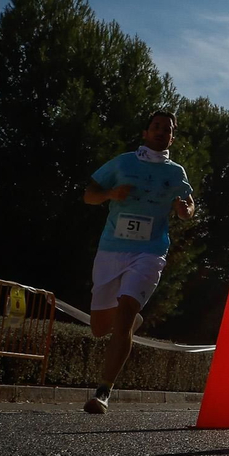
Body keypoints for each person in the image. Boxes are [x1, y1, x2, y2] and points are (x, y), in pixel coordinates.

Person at [81, 110, 196, 414]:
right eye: (156, 127)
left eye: (167, 130)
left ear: (172, 137)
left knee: (127, 307)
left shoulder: (175, 172)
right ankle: (127, 320)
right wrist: (109, 194)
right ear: (145, 132)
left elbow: (189, 205)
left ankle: (103, 391)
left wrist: (185, 210)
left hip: (150, 250)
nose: (161, 132)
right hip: (111, 249)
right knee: (99, 327)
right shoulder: (122, 162)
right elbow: (88, 195)